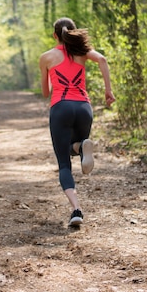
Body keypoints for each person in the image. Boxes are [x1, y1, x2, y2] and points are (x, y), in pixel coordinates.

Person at [39, 17, 115, 227]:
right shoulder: (82, 52)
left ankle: (76, 209)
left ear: (55, 35)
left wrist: (49, 80)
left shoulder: (46, 57)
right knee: (76, 148)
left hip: (61, 107)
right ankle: (82, 145)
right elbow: (102, 60)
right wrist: (108, 91)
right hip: (84, 107)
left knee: (64, 163)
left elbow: (46, 92)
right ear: (72, 32)